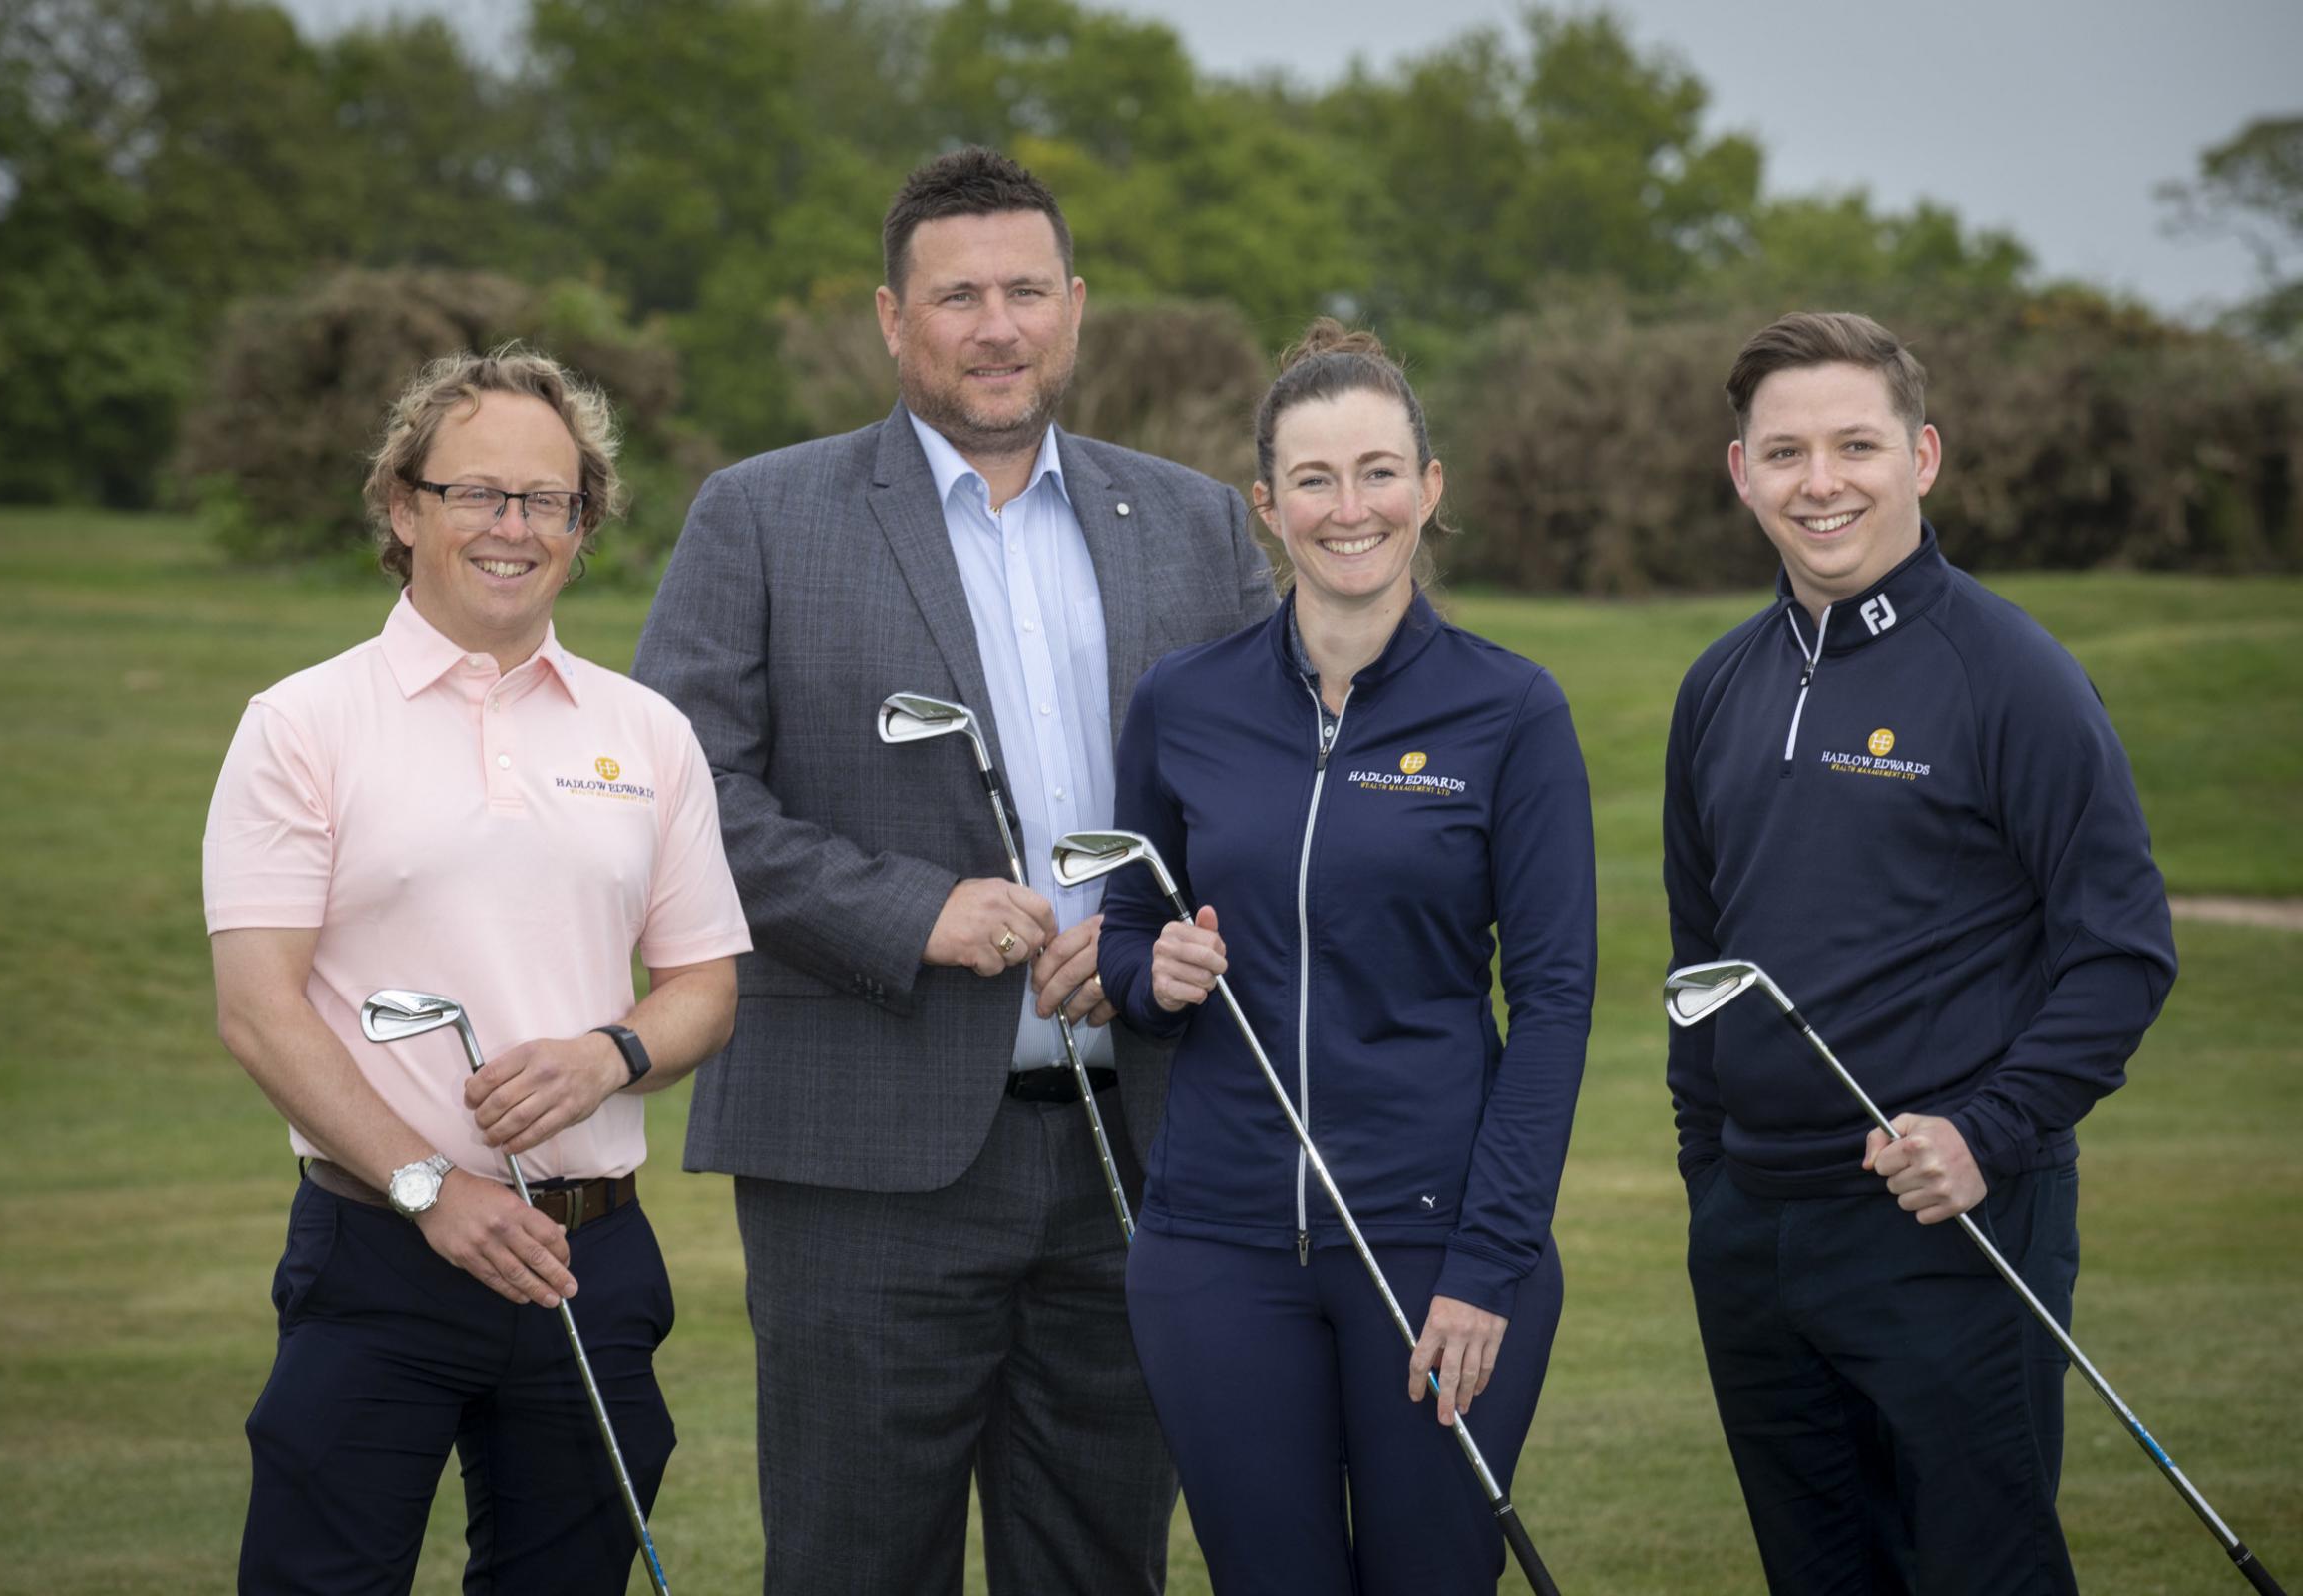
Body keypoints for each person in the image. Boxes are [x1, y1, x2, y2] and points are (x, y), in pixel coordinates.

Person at [631, 146, 1274, 1595]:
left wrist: (1142, 936)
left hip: (1145, 1144)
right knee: (859, 1562)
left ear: (1077, 306)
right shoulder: (761, 514)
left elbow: (1266, 800)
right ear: (889, 318)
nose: (999, 326)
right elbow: (681, 793)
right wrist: (910, 911)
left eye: (1028, 292)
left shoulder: (1189, 522)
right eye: (960, 295)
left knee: (1101, 1563)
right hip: (863, 1154)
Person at [204, 347, 752, 1593]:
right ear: (406, 508)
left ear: (582, 523)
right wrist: (429, 1189)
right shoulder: (303, 722)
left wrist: (607, 1053)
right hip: (379, 1252)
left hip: (588, 1259)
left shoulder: (645, 732)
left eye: (548, 500)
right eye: (478, 494)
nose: (514, 527)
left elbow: (705, 984)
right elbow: (257, 1010)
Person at [1664, 310, 2178, 1594]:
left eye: (1856, 445)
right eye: (1785, 452)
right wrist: (1711, 1184)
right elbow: (1699, 965)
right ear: (1742, 472)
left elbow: (2122, 951)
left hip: (1952, 1223)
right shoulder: (1718, 686)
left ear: (1924, 455)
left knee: (1979, 1571)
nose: (1820, 481)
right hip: (1756, 1236)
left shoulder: (2011, 674)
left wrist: (1985, 1132)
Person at [1093, 319, 1597, 1596]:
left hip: (1434, 1250)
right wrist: (1148, 975)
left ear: (1432, 490)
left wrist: (1488, 1267)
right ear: (1267, 506)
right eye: (1312, 479)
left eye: (1379, 471)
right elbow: (1123, 929)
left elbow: (1551, 1002)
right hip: (1214, 1247)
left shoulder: (1511, 710)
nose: (1348, 506)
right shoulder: (1182, 703)